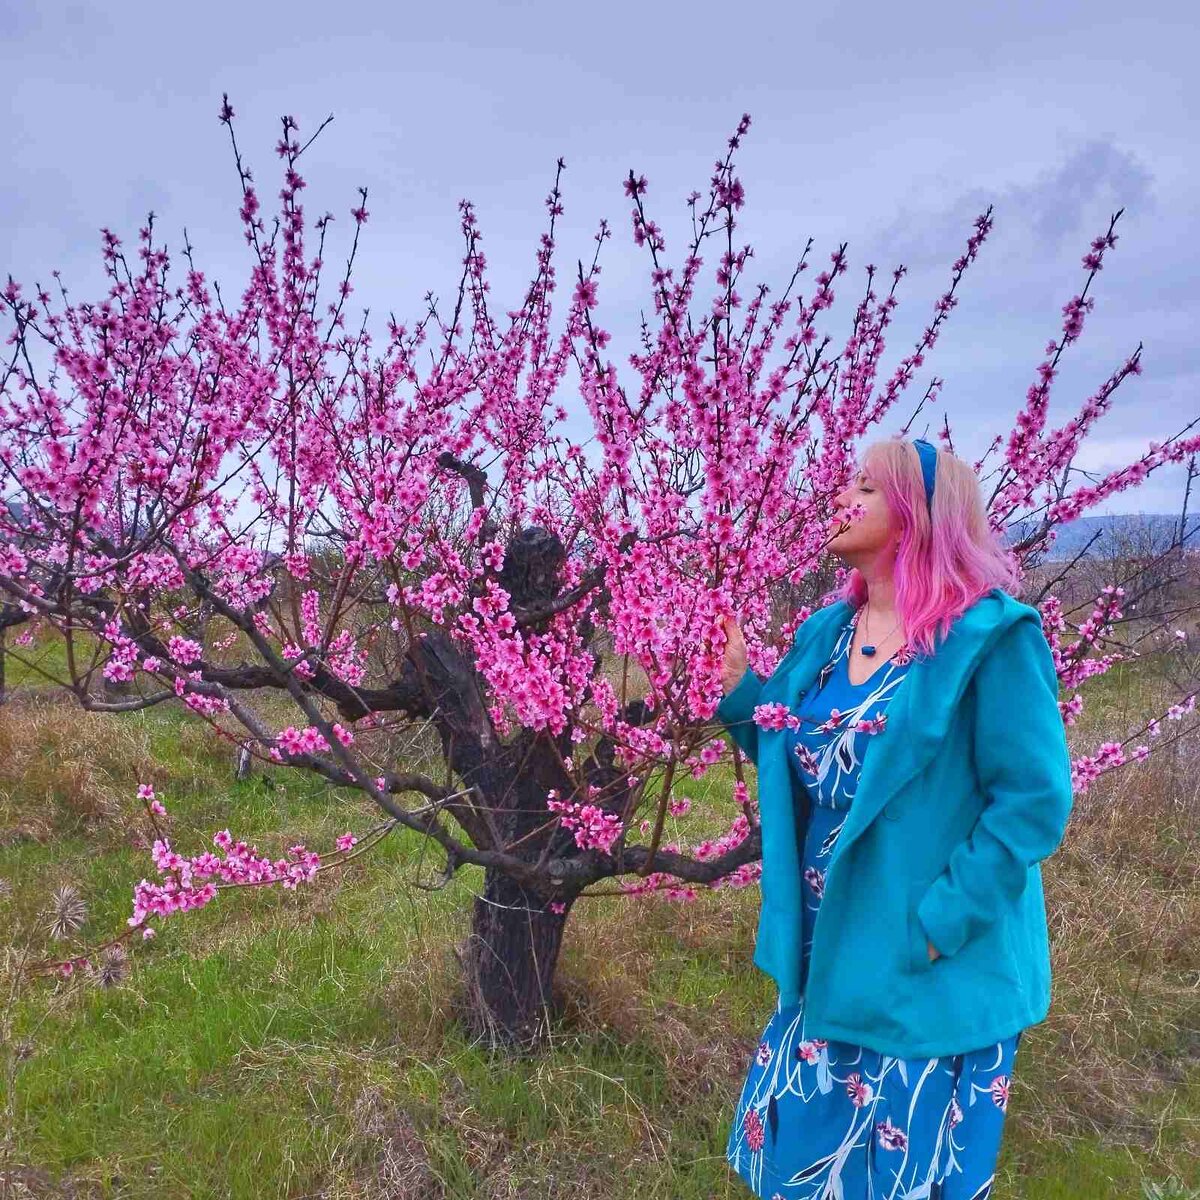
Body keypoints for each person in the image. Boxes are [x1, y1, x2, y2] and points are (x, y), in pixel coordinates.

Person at [716, 435, 1074, 1199]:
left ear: (919, 511)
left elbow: (1034, 799)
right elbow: (795, 758)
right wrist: (740, 689)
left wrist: (941, 924)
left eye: (867, 488)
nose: (842, 498)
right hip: (828, 953)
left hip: (925, 967)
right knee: (806, 1173)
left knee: (900, 1176)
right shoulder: (827, 634)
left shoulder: (990, 637)